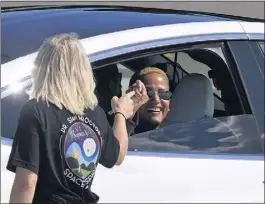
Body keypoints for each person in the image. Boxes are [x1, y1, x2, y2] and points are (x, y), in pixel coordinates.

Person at [6, 33, 147, 204]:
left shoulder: (36, 110)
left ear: (42, 68)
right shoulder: (95, 113)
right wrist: (121, 115)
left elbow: (27, 182)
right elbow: (116, 156)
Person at [126, 67, 172, 135]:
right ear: (131, 96)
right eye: (147, 92)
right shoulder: (114, 132)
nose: (156, 99)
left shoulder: (179, 138)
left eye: (163, 93)